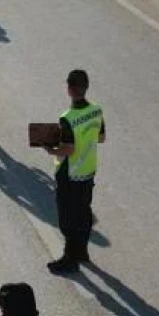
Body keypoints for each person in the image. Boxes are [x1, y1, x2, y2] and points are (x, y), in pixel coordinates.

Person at [43, 70, 104, 274]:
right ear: (86, 87)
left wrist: (51, 150)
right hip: (88, 170)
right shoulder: (96, 110)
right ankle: (82, 252)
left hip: (70, 173)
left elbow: (68, 149)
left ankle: (70, 259)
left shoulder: (67, 118)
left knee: (67, 218)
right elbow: (101, 137)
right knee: (84, 212)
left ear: (69, 89)